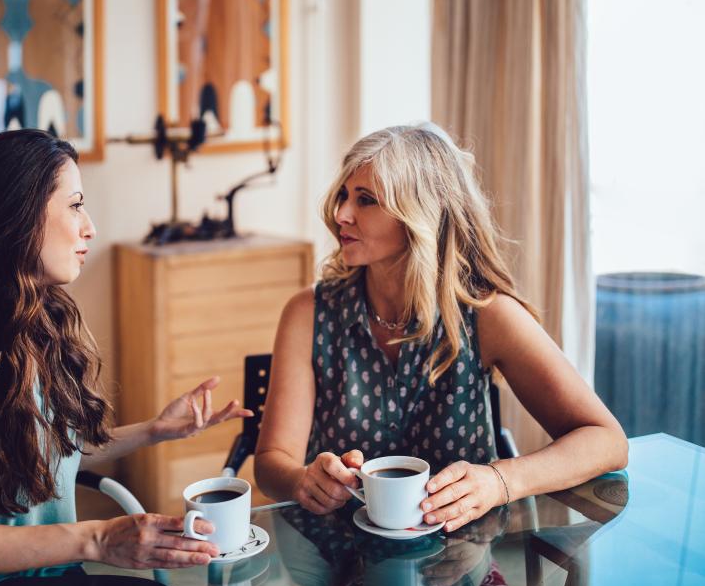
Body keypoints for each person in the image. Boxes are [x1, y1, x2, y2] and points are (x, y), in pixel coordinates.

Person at [0, 129, 251, 576]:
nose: (90, 225)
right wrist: (97, 538)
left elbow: (40, 454)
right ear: (17, 217)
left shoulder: (35, 321)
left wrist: (154, 430)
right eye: (74, 205)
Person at [254, 123, 628, 533]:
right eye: (344, 195)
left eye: (366, 200)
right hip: (334, 554)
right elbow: (272, 462)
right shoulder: (308, 312)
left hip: (463, 558)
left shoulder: (488, 315)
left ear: (420, 214)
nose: (341, 214)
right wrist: (302, 479)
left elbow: (607, 440)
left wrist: (501, 480)